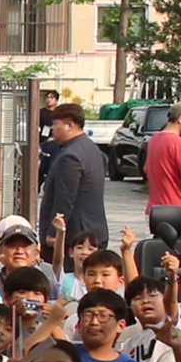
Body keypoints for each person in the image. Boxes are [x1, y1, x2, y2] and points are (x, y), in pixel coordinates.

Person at [39, 103, 112, 264]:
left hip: (75, 238)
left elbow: (65, 199)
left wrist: (54, 233)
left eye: (56, 123)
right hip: (93, 231)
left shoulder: (70, 157)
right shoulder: (92, 149)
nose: (52, 128)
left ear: (70, 125)